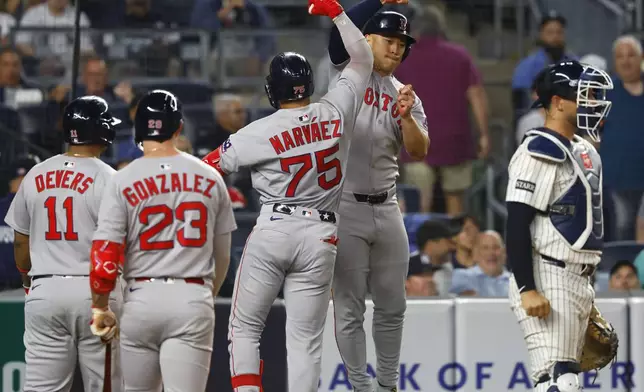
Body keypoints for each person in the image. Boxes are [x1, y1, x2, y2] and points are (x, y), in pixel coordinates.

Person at [201, 0, 374, 389]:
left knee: (245, 328)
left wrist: (224, 198)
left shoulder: (257, 132)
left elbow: (205, 170)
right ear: (309, 85)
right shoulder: (335, 110)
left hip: (275, 227)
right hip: (322, 235)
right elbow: (362, 59)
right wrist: (338, 14)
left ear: (270, 90)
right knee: (305, 343)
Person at [88, 90, 236, 391]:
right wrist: (206, 293)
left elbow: (105, 252)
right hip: (192, 295)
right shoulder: (209, 176)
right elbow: (222, 254)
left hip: (141, 297)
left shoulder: (123, 178)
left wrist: (100, 306)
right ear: (179, 128)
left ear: (139, 129)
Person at [326, 2, 429, 390]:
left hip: (387, 206)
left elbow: (419, 151)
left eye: (402, 43)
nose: (396, 49)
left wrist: (405, 116)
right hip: (346, 205)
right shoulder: (346, 72)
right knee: (349, 308)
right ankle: (359, 385)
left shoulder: (405, 94)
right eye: (388, 40)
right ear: (366, 39)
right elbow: (338, 33)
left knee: (393, 306)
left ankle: (387, 385)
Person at [505, 60, 613, 392]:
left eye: (594, 95)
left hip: (576, 278)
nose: (592, 103)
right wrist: (527, 287)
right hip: (546, 275)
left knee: (563, 377)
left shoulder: (583, 150)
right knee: (557, 380)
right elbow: (517, 222)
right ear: (558, 102)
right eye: (585, 95)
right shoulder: (537, 150)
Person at [3, 96, 122, 391]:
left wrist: (28, 281)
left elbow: (20, 241)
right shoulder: (109, 178)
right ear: (102, 130)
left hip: (45, 291)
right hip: (95, 293)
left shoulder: (36, 173)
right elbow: (122, 244)